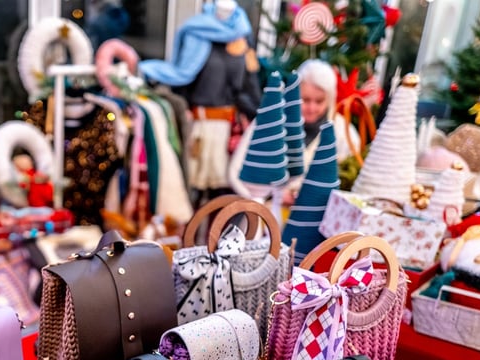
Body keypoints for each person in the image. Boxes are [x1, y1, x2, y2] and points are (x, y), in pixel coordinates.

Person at [138, 0, 261, 206]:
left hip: (228, 130)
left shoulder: (243, 36)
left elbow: (249, 84)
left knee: (223, 194)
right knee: (190, 189)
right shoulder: (196, 32)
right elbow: (183, 75)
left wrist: (257, 116)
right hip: (197, 125)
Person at [228, 58, 361, 203]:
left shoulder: (343, 132)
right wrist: (270, 195)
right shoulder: (271, 119)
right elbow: (236, 172)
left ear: (329, 99)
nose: (311, 108)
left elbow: (347, 182)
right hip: (265, 210)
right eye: (306, 100)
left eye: (319, 101)